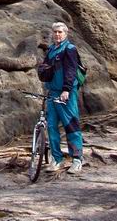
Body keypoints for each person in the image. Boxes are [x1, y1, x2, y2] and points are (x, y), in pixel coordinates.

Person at [39, 22, 83, 174]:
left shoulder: (69, 49)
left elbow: (71, 70)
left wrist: (66, 90)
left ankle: (77, 159)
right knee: (51, 127)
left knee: (70, 125)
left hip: (66, 94)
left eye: (60, 32)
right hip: (52, 93)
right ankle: (57, 159)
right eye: (55, 32)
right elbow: (45, 69)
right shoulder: (51, 49)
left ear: (66, 33)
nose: (57, 35)